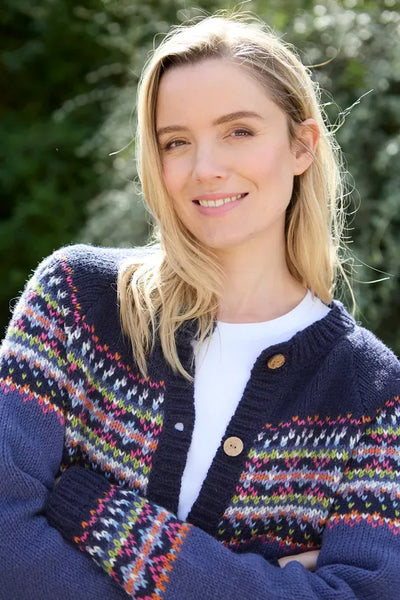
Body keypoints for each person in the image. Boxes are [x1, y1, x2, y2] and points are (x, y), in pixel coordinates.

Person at [0, 13, 399, 600]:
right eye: (176, 142)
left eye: (238, 131)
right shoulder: (75, 303)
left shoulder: (374, 393)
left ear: (302, 146)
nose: (205, 168)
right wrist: (265, 580)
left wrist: (104, 517)